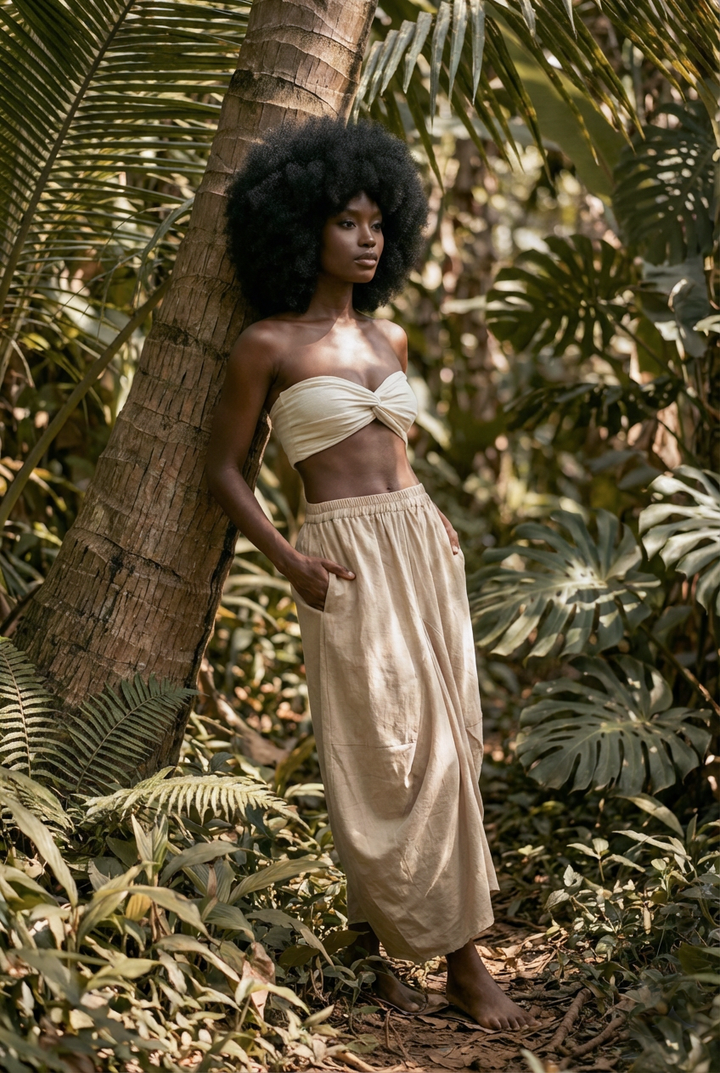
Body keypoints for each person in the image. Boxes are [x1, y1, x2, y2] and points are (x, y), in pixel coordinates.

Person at [206, 117, 534, 1031]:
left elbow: (396, 454)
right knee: (385, 748)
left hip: (423, 549)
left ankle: (394, 948)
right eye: (346, 219)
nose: (366, 237)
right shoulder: (266, 345)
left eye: (378, 222)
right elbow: (223, 469)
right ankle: (461, 964)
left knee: (450, 745)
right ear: (302, 225)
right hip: (342, 559)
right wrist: (289, 559)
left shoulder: (390, 338)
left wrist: (433, 519)